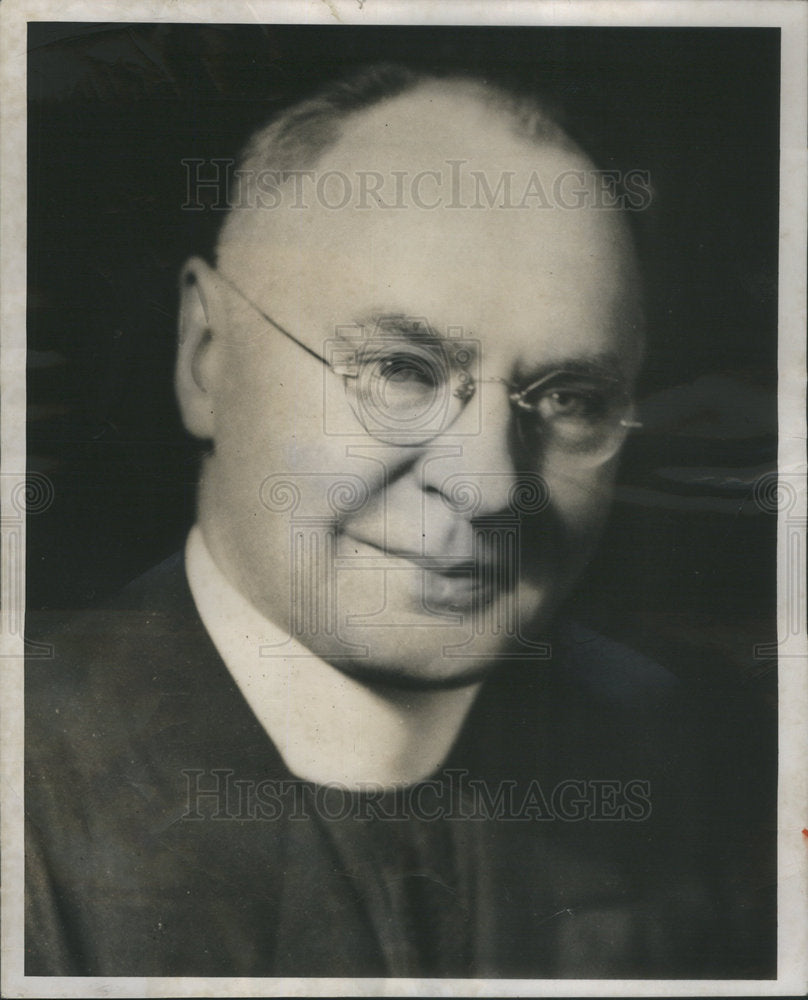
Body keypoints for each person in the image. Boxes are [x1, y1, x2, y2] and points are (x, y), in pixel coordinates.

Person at [25, 64, 773, 978]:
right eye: (402, 372)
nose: (491, 485)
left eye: (570, 395)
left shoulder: (698, 762)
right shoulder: (28, 788)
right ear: (207, 357)